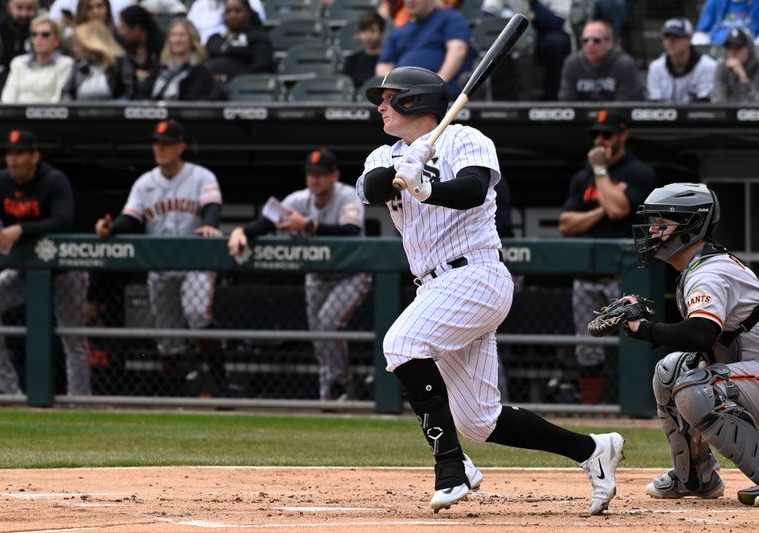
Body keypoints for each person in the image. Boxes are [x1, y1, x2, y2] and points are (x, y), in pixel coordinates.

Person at [356, 65, 624, 515]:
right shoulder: (383, 155)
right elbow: (371, 188)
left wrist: (427, 186)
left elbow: (474, 191)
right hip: (434, 287)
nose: (380, 107)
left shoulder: (468, 139)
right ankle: (592, 449)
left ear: (414, 101)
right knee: (480, 421)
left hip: (476, 275)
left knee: (401, 343)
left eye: (388, 98)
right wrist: (407, 163)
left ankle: (449, 467)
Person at [624, 182, 759, 506]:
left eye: (662, 224)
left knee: (696, 388)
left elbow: (700, 334)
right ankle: (697, 478)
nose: (653, 231)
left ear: (690, 226)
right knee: (671, 371)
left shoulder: (710, 271)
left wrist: (645, 328)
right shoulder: (699, 266)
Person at [228, 148, 372, 401]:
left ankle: (342, 382)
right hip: (317, 276)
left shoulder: (348, 196)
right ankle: (329, 390)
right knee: (318, 332)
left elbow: (350, 232)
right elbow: (264, 223)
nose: (315, 179)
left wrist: (307, 225)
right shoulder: (296, 200)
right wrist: (241, 231)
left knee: (328, 323)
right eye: (311, 173)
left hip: (350, 274)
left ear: (334, 175)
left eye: (321, 173)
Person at [95, 119, 223, 394]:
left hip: (195, 264)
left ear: (181, 146)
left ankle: (219, 378)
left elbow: (212, 205)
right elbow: (131, 218)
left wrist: (211, 223)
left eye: (167, 144)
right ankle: (176, 390)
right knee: (167, 339)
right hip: (161, 267)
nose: (161, 149)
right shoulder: (145, 183)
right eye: (157, 143)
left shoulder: (202, 176)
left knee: (198, 314)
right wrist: (111, 227)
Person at [0, 129, 90, 396]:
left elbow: (63, 220)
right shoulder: (0, 181)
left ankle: (80, 399)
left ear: (35, 156)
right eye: (9, 153)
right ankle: (4, 385)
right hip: (25, 268)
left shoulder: (54, 180)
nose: (13, 160)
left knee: (72, 337)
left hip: (64, 268)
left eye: (20, 153)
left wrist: (21, 229)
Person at [558, 109, 655, 404]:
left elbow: (618, 211)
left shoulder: (638, 172)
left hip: (623, 276)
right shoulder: (582, 177)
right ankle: (593, 407)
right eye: (596, 135)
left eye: (607, 134)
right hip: (587, 275)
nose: (600, 141)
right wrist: (600, 209)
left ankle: (640, 404)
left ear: (622, 136)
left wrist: (601, 171)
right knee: (588, 345)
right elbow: (565, 224)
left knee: (634, 339)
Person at [375, 0, 473, 98]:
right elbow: (383, 67)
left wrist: (437, 83)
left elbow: (457, 50)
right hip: (403, 94)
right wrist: (395, 88)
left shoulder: (451, 18)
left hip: (442, 92)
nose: (410, 1)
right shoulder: (397, 32)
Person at [482, 0, 573, 100]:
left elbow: (558, 22)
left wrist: (534, 3)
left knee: (557, 42)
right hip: (514, 31)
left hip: (545, 33)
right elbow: (488, 15)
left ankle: (552, 99)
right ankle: (502, 100)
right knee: (496, 40)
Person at [558, 19, 643, 102]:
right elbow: (567, 101)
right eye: (585, 40)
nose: (590, 45)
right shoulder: (572, 63)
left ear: (609, 42)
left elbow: (626, 104)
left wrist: (601, 115)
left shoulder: (625, 64)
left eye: (596, 40)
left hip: (616, 116)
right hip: (580, 116)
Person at [138, 17, 215, 101]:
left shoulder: (201, 72)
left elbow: (191, 103)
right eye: (173, 35)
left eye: (182, 35)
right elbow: (143, 94)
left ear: (192, 39)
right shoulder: (160, 68)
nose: (177, 40)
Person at [1, 15, 74, 103]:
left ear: (57, 40)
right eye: (34, 34)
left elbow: (58, 99)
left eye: (45, 35)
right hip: (16, 115)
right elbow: (8, 97)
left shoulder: (66, 64)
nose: (38, 38)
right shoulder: (18, 63)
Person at [205, 0, 273, 92]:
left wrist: (228, 78)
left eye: (237, 11)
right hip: (212, 88)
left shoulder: (259, 37)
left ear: (248, 13)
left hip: (246, 89)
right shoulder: (215, 38)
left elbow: (262, 67)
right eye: (228, 12)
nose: (233, 15)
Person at [647, 17, 717, 104]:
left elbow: (704, 106)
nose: (670, 42)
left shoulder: (708, 66)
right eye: (667, 37)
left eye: (676, 37)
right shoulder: (656, 67)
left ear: (689, 39)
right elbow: (655, 105)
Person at [63, 20, 135, 101]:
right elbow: (67, 92)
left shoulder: (120, 62)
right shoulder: (78, 63)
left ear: (90, 44)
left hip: (113, 112)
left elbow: (129, 93)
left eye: (78, 44)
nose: (74, 49)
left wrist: (114, 109)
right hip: (79, 112)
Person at [117, 4, 163, 86]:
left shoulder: (161, 48)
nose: (121, 33)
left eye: (123, 28)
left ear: (136, 29)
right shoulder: (122, 48)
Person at [711, 27, 759, 103]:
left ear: (749, 48)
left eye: (738, 47)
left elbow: (756, 103)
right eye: (729, 47)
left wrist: (743, 78)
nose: (733, 52)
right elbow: (718, 101)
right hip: (729, 114)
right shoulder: (722, 66)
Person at [187, 0, 267, 46]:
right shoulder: (199, 5)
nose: (232, 15)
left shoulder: (252, 2)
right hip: (204, 53)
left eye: (237, 11)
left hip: (240, 47)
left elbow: (257, 28)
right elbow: (188, 31)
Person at [342, 10, 385, 89]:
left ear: (381, 33)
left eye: (372, 31)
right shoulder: (351, 60)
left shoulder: (387, 61)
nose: (368, 36)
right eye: (364, 31)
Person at [0, 0, 39, 67]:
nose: (24, 14)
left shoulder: (41, 29)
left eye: (30, 8)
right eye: (19, 8)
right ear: (9, 7)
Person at [693, 0, 759, 46]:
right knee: (697, 39)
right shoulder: (715, 1)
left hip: (748, 50)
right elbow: (701, 32)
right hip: (718, 48)